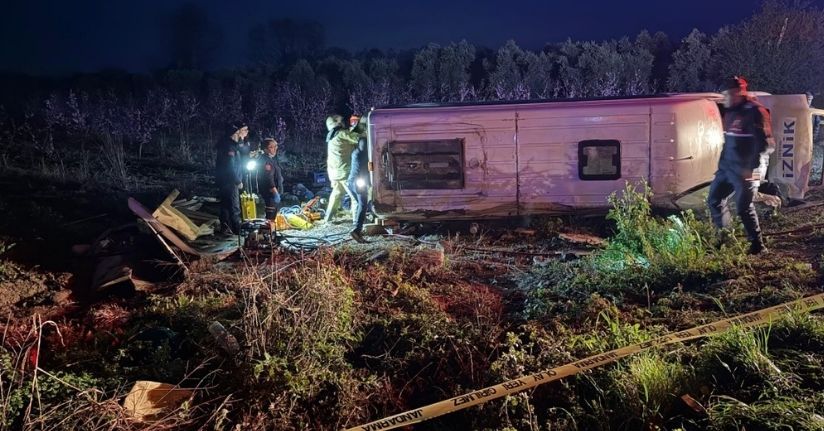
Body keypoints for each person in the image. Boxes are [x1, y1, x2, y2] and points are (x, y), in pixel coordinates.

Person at [707, 76, 775, 255]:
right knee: (715, 200)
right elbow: (727, 141)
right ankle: (725, 238)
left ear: (740, 91)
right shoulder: (730, 112)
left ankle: (758, 246)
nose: (726, 98)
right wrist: (722, 165)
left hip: (750, 169)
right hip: (728, 168)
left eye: (729, 94)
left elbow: (766, 145)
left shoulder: (755, 111)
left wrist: (751, 169)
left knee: (743, 206)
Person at [323, 115, 360, 223]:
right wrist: (360, 127)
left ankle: (327, 218)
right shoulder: (342, 133)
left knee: (336, 194)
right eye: (341, 121)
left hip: (333, 172)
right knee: (355, 196)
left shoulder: (330, 136)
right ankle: (357, 221)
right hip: (344, 171)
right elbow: (357, 138)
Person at [215, 122, 249, 234]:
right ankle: (237, 232)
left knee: (225, 206)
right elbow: (230, 166)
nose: (241, 134)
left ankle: (226, 229)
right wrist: (237, 181)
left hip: (223, 181)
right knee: (235, 208)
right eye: (239, 132)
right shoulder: (229, 147)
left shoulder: (228, 144)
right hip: (230, 182)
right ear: (234, 133)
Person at [347, 115, 370, 243]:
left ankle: (357, 228)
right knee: (363, 204)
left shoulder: (355, 151)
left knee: (362, 205)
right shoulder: (363, 150)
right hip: (358, 181)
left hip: (352, 181)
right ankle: (356, 230)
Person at [258, 138, 284, 220]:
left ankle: (270, 231)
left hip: (273, 192)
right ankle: (268, 231)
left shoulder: (272, 159)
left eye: (275, 146)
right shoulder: (266, 161)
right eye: (271, 147)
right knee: (271, 215)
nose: (275, 149)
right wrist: (275, 191)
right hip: (270, 193)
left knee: (273, 214)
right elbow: (268, 178)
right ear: (265, 149)